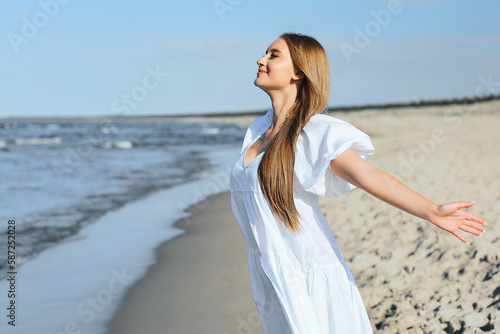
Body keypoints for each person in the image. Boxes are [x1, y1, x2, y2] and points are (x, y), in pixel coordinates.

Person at [229, 32, 486, 333]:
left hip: (308, 268)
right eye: (265, 54)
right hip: (267, 268)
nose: (261, 60)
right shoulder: (258, 129)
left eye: (273, 55)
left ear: (298, 71)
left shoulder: (314, 133)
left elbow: (369, 175)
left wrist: (430, 210)